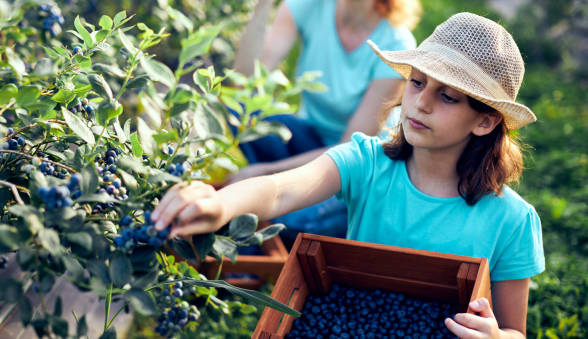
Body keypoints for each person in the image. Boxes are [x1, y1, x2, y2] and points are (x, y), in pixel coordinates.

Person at [152, 12, 545, 337]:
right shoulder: (367, 163)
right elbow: (280, 191)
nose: (420, 103)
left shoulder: (511, 220)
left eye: (447, 96)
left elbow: (515, 331)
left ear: (485, 121)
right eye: (417, 82)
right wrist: (218, 203)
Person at [229, 0, 421, 240]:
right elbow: (244, 85)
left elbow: (349, 147)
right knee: (239, 111)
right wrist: (262, 7)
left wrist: (265, 172)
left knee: (292, 222)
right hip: (310, 138)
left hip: (357, 165)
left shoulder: (396, 44)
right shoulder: (311, 6)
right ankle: (265, 209)